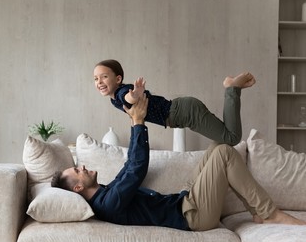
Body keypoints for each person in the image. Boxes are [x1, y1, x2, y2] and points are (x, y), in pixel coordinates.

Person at [51, 94, 306, 231]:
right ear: (77, 188)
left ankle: (258, 213)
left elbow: (130, 166)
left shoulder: (107, 193)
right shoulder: (110, 203)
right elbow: (137, 169)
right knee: (226, 154)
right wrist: (138, 123)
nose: (81, 166)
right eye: (77, 170)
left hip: (187, 201)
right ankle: (270, 213)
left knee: (219, 146)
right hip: (194, 216)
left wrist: (135, 120)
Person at [93, 59, 256, 146]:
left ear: (118, 78)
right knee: (224, 136)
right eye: (95, 78)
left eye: (104, 77)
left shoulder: (122, 92)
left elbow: (128, 98)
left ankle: (232, 88)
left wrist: (135, 94)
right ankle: (231, 88)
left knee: (232, 138)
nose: (99, 81)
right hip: (183, 111)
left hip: (184, 113)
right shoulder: (114, 100)